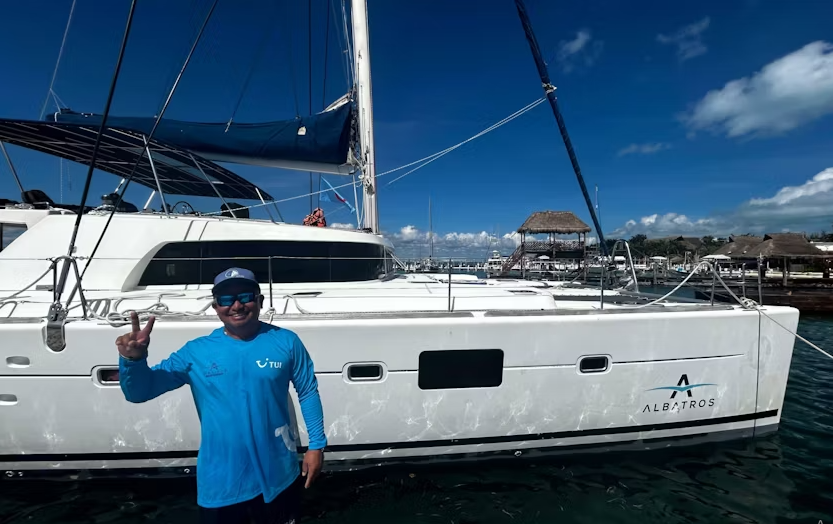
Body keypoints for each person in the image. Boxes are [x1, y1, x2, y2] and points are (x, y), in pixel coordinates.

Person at [116, 267, 326, 524]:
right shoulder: (195, 352)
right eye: (226, 299)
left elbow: (307, 391)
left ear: (260, 301)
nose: (236, 305)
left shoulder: (287, 341)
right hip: (221, 484)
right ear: (216, 307)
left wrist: (316, 446)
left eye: (245, 296)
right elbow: (139, 392)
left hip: (279, 476)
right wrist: (133, 360)